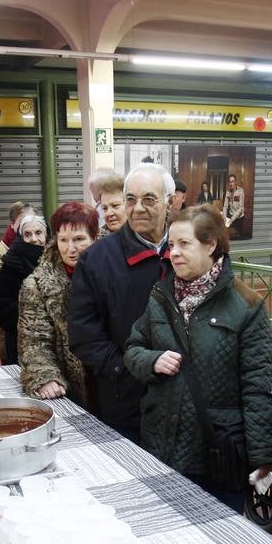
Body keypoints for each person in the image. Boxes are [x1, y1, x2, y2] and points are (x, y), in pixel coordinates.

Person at [123, 206, 272, 512]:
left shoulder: (246, 305)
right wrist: (152, 361)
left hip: (215, 453)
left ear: (211, 245)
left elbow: (256, 387)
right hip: (161, 443)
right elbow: (132, 348)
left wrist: (263, 457)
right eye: (171, 245)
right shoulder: (161, 295)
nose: (174, 253)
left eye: (185, 244)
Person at [69, 162, 173, 442]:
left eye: (149, 199)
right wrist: (125, 370)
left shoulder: (188, 250)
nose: (138, 208)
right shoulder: (98, 259)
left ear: (170, 202)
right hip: (126, 399)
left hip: (182, 398)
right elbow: (83, 333)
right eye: (131, 199)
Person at [19, 202, 99, 403]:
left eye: (79, 239)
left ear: (95, 238)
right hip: (70, 386)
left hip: (113, 378)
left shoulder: (112, 272)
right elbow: (33, 341)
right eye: (63, 240)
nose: (70, 248)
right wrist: (45, 376)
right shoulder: (37, 285)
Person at [0, 212, 46, 364]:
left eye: (38, 233)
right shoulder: (12, 262)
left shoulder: (55, 258)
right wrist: (25, 321)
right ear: (21, 238)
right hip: (22, 342)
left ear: (46, 235)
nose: (34, 239)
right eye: (27, 234)